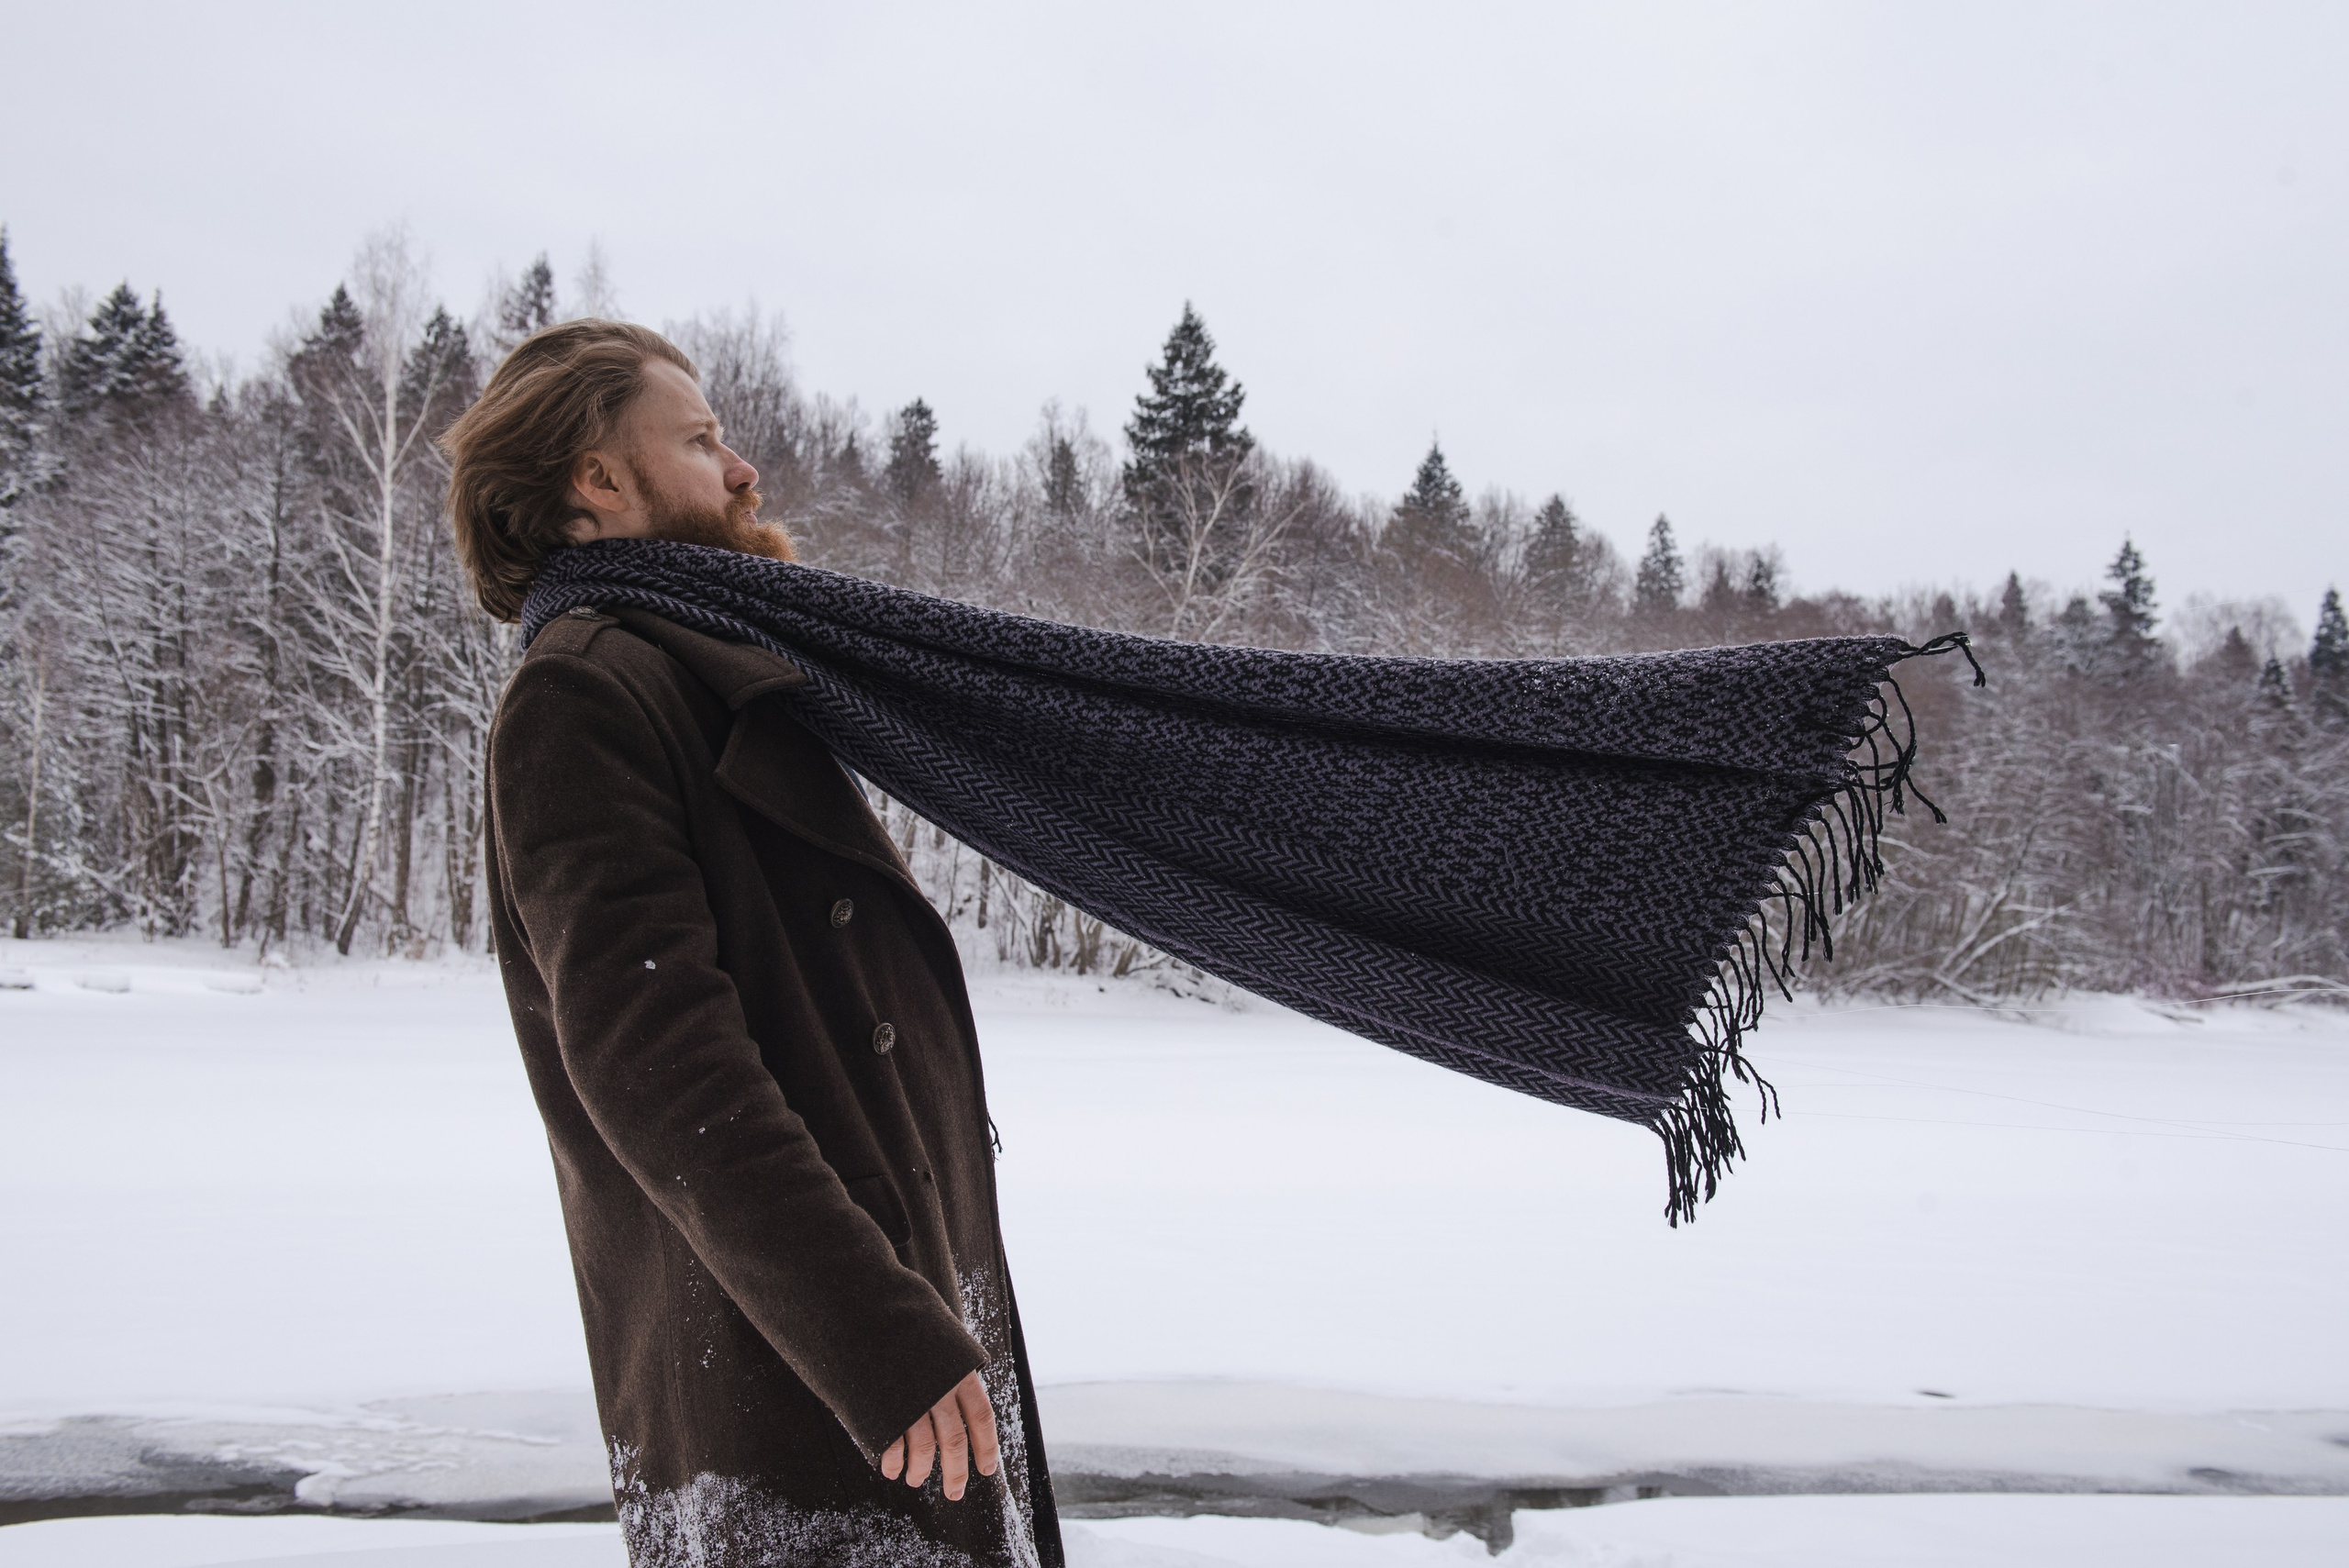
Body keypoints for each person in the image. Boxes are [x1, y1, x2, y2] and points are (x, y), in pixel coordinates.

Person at [441, 319, 1059, 1568]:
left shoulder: (698, 668)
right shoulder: (584, 691)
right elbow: (658, 1062)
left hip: (881, 1330)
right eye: (701, 441)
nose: (742, 470)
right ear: (598, 480)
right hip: (791, 1378)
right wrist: (871, 1329)